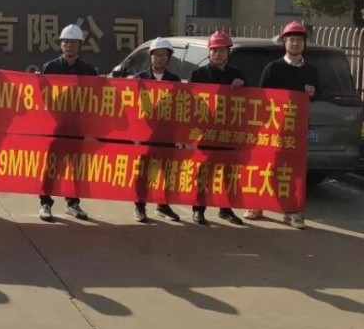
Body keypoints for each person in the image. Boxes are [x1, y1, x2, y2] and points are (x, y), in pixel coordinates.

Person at [245, 21, 320, 229]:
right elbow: (261, 96)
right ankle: (257, 204)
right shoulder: (273, 68)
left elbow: (318, 93)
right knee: (265, 166)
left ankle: (292, 211)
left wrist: (314, 92)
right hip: (272, 127)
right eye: (291, 40)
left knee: (293, 170)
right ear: (284, 42)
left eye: (299, 40)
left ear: (304, 43)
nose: (295, 44)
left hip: (296, 129)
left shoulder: (311, 70)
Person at [37, 24, 94, 222]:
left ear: (80, 45)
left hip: (77, 129)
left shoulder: (88, 71)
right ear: (60, 44)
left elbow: (97, 98)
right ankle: (45, 202)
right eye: (65, 42)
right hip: (56, 128)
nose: (68, 45)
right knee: (52, 166)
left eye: (73, 42)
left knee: (76, 168)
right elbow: (40, 96)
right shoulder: (50, 68)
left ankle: (73, 203)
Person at [189, 30, 246, 226]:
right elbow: (191, 103)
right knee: (204, 173)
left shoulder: (237, 75)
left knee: (228, 173)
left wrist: (244, 85)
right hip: (207, 133)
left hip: (229, 133)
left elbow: (251, 100)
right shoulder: (198, 74)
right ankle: (198, 209)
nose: (217, 54)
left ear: (228, 52)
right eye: (214, 50)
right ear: (209, 52)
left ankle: (226, 209)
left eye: (221, 50)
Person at [131, 37, 182, 223]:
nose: (159, 58)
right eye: (156, 55)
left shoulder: (174, 80)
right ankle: (140, 206)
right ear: (150, 57)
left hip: (167, 135)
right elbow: (132, 107)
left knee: (167, 172)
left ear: (168, 58)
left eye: (163, 55)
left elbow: (179, 109)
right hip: (146, 135)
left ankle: (163, 205)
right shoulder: (140, 79)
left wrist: (180, 136)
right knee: (144, 171)